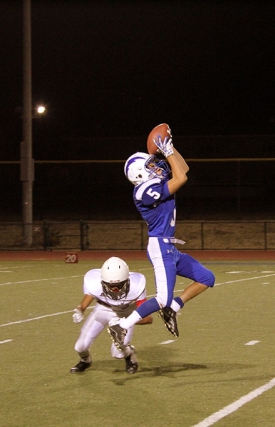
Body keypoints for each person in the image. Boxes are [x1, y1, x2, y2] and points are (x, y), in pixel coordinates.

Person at [107, 127, 215, 353]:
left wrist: (170, 147)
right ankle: (121, 326)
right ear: (139, 174)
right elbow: (181, 178)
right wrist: (165, 150)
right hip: (160, 246)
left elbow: (183, 169)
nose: (155, 167)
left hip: (171, 247)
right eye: (149, 166)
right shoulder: (143, 191)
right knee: (162, 297)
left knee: (207, 277)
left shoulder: (154, 182)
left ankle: (173, 309)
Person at [70, 257, 152, 374]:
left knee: (118, 353)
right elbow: (91, 293)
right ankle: (86, 360)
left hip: (125, 312)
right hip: (102, 309)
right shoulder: (94, 282)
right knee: (80, 347)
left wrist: (125, 321)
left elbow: (148, 318)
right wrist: (80, 309)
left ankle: (130, 354)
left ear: (127, 280)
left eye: (119, 285)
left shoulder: (136, 286)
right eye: (111, 285)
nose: (114, 289)